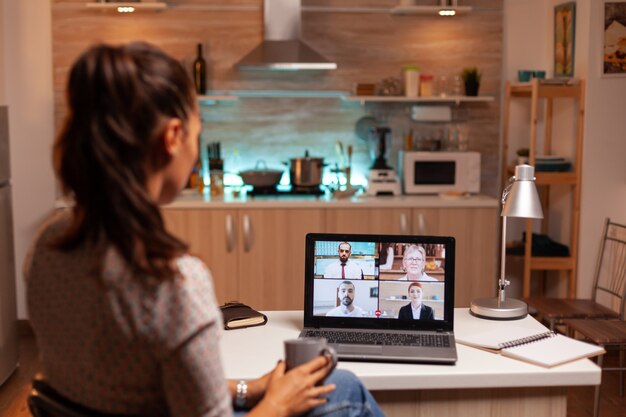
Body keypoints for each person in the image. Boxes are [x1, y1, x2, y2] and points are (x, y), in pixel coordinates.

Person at [24, 42, 384, 417]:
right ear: (172, 136)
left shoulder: (49, 244)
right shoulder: (173, 283)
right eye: (198, 131)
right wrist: (279, 403)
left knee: (337, 384)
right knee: (348, 390)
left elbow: (135, 382)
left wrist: (253, 388)